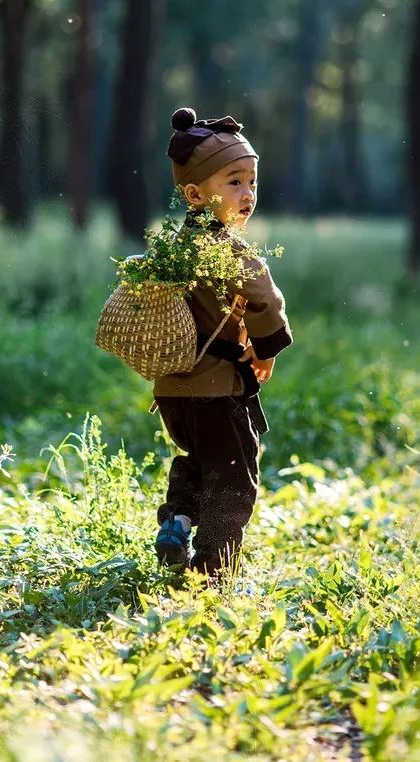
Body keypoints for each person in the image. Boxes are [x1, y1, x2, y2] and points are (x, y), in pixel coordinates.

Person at [153, 107, 293, 582]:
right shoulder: (226, 248)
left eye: (252, 181)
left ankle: (178, 519)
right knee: (234, 480)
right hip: (216, 389)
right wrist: (266, 349)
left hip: (173, 391)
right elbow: (264, 297)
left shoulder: (174, 247)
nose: (248, 193)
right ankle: (212, 573)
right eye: (233, 182)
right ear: (194, 194)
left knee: (203, 462)